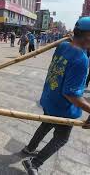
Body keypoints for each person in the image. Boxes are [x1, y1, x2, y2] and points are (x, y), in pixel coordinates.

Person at [21, 17, 90, 175]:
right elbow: (71, 95)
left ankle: (29, 148)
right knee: (61, 138)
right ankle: (34, 163)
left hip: (49, 99)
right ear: (87, 36)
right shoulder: (81, 59)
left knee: (45, 124)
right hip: (64, 108)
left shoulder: (63, 45)